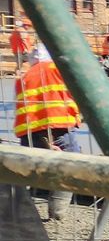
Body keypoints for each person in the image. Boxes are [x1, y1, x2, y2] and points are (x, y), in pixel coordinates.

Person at [12, 46, 80, 220]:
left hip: (28, 130)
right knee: (70, 166)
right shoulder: (58, 69)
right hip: (58, 125)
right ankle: (57, 214)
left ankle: (16, 212)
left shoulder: (23, 77)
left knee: (28, 170)